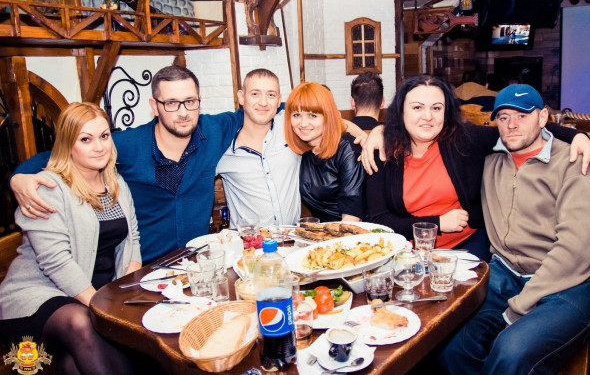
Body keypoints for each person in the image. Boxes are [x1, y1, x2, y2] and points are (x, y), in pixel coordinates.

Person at [439, 84, 590, 374]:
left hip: (577, 281)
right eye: (504, 117)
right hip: (507, 272)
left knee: (511, 351)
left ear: (543, 117)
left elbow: (575, 251)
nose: (512, 124)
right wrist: (379, 131)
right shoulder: (490, 160)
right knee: (452, 345)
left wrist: (519, 306)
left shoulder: (573, 164)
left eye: (522, 115)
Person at [10, 65, 243, 264]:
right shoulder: (126, 144)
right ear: (155, 106)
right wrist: (18, 178)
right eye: (171, 103)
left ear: (199, 101)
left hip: (197, 264)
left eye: (190, 101)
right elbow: (55, 156)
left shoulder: (213, 130)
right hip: (143, 269)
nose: (183, 112)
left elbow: (253, 111)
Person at [365, 75, 590, 262]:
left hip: (466, 248)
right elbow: (379, 221)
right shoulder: (383, 152)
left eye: (436, 108)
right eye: (417, 107)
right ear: (401, 111)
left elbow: (519, 129)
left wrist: (577, 136)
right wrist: (436, 223)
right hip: (405, 253)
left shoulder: (464, 139)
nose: (428, 117)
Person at [0, 102, 140, 375]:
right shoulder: (50, 187)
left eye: (104, 136)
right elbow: (55, 262)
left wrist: (127, 289)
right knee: (82, 323)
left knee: (74, 363)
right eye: (85, 139)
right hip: (39, 294)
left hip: (93, 292)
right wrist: (103, 308)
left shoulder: (116, 184)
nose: (99, 147)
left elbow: (132, 238)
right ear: (68, 144)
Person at [216, 69, 301, 228]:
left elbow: (326, 121)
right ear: (241, 97)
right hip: (248, 241)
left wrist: (354, 131)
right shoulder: (223, 147)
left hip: (292, 237)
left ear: (279, 100)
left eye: (271, 95)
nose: (263, 102)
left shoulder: (292, 126)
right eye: (255, 94)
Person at [284, 82, 366, 222]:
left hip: (354, 231)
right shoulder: (304, 151)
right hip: (322, 230)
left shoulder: (348, 149)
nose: (303, 123)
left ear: (327, 116)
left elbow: (352, 217)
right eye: (296, 115)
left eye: (312, 116)